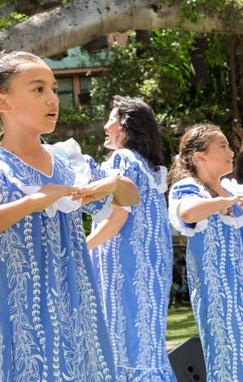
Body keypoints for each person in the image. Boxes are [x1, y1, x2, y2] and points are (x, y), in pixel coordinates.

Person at [0, 50, 139, 381]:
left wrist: (115, 183)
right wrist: (30, 202)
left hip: (83, 324)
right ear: (0, 101)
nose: (53, 98)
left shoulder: (68, 161)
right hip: (29, 337)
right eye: (38, 89)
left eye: (53, 87)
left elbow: (131, 197)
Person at [168, 123, 243, 382]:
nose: (231, 152)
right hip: (221, 298)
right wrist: (220, 204)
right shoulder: (188, 188)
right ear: (199, 156)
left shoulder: (235, 190)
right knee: (231, 359)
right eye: (223, 146)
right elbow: (188, 212)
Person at [86, 96, 175, 381]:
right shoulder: (151, 168)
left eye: (111, 119)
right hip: (150, 269)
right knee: (147, 345)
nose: (105, 125)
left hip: (125, 268)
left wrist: (83, 248)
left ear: (126, 127)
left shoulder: (123, 160)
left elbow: (118, 216)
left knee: (124, 344)